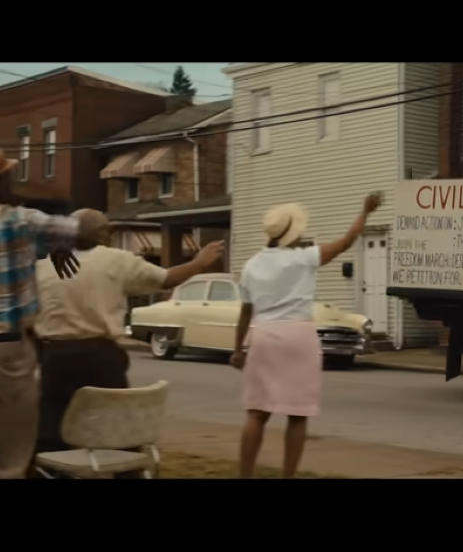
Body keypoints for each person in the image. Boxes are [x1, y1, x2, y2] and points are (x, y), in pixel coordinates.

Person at [33, 209, 225, 456]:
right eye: (107, 230)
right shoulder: (116, 260)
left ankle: (53, 466)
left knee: (50, 423)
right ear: (102, 234)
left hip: (55, 355)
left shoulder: (45, 266)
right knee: (118, 422)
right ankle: (124, 467)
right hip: (101, 355)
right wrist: (199, 262)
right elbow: (166, 279)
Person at [231, 194, 381, 478]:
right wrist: (364, 212)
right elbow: (347, 241)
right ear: (293, 234)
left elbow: (245, 312)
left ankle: (245, 475)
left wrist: (238, 350)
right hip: (298, 336)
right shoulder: (304, 258)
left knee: (256, 413)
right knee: (297, 415)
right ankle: (288, 475)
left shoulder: (251, 266)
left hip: (264, 335)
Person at [0, 150, 101, 479]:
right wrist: (59, 233)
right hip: (9, 347)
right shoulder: (19, 220)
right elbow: (87, 233)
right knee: (13, 453)